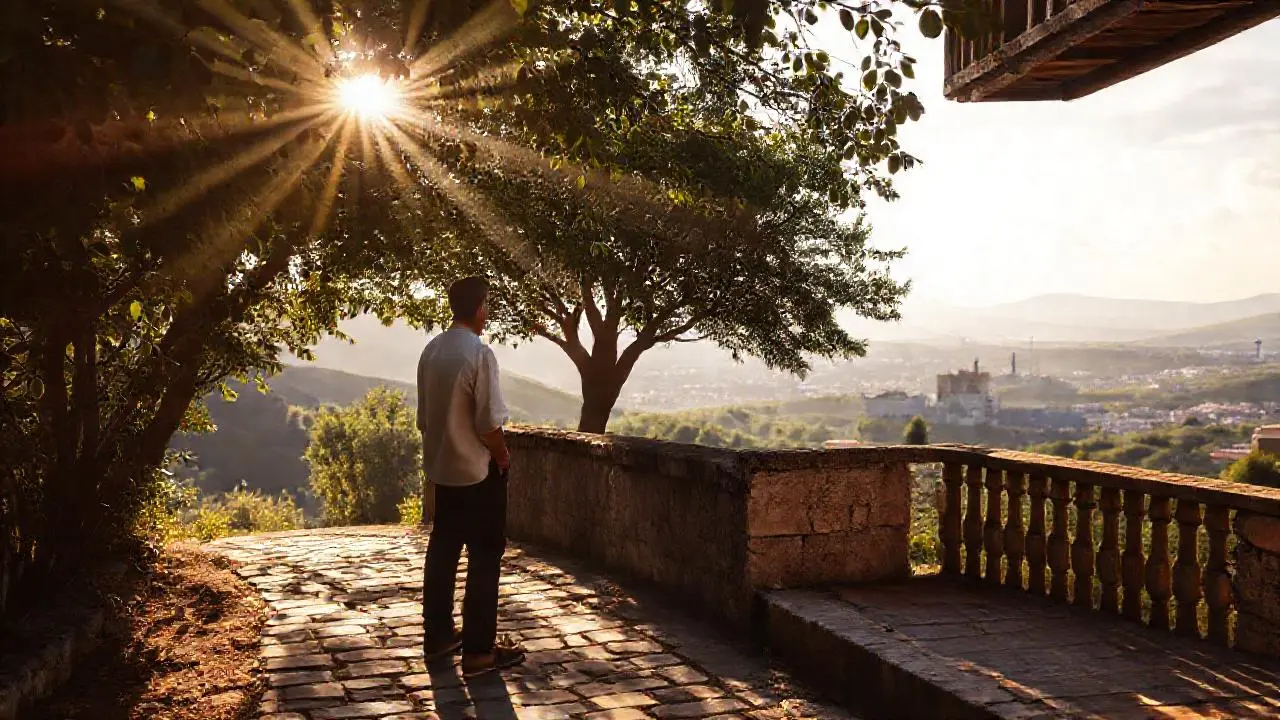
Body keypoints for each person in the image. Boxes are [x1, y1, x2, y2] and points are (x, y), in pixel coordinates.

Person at [417, 275, 524, 678]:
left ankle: (439, 636)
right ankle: (479, 651)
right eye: (488, 305)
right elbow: (488, 423)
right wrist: (502, 456)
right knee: (485, 555)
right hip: (478, 474)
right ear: (480, 307)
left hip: (443, 471)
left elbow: (425, 418)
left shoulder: (431, 351)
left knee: (442, 550)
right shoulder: (480, 354)